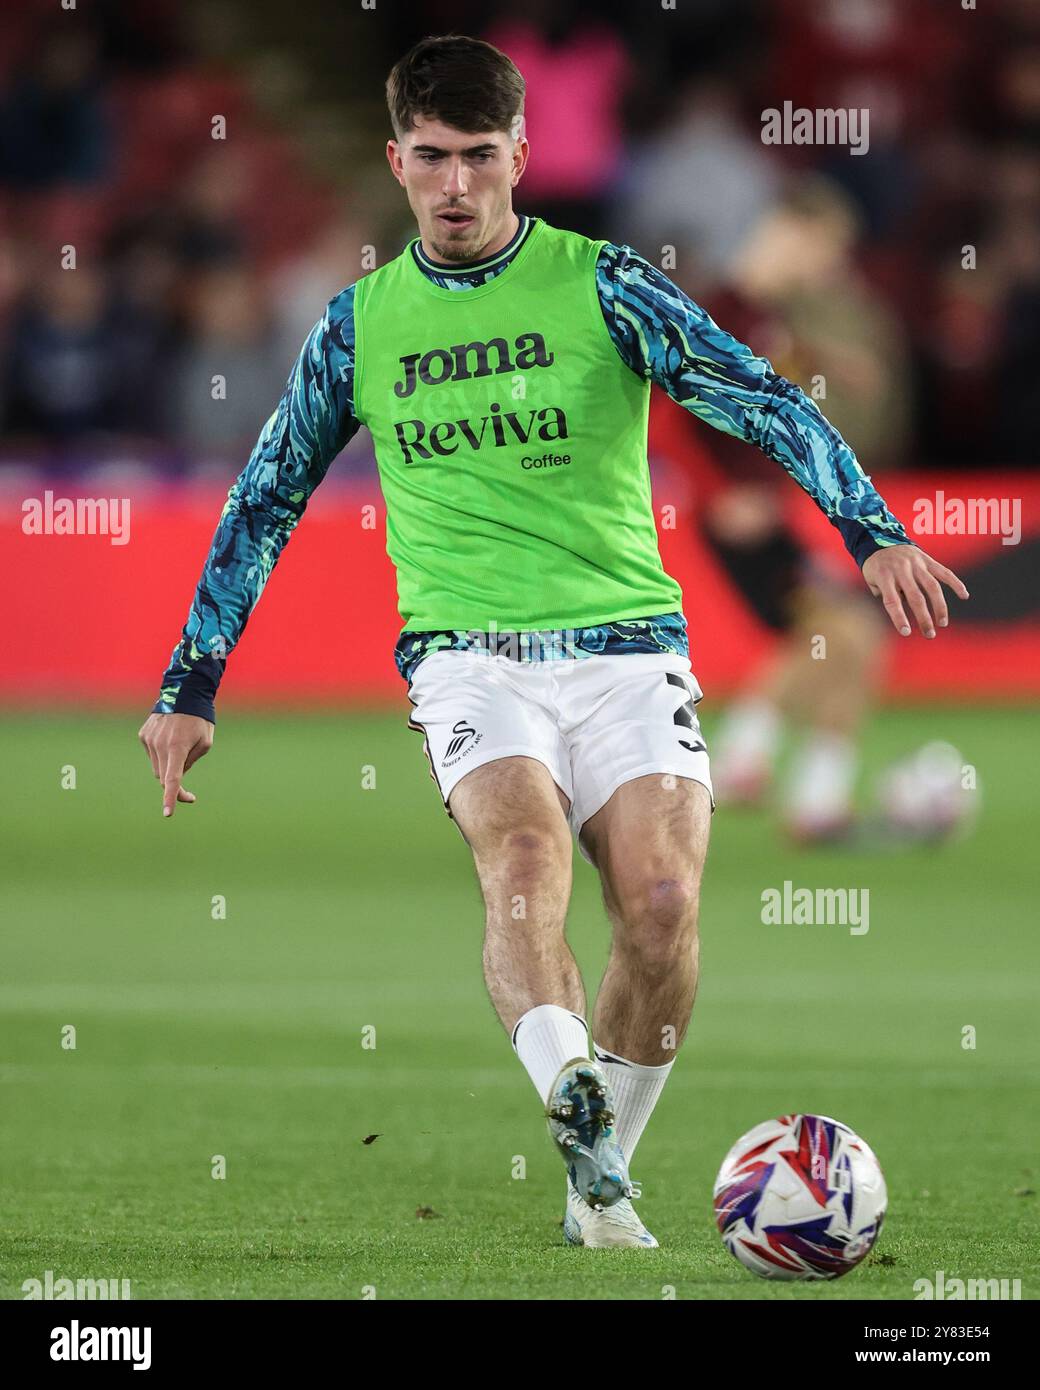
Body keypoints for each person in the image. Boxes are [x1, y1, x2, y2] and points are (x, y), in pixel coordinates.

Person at [138, 34, 968, 1249]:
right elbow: (263, 496)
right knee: (522, 858)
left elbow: (763, 396)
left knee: (663, 904)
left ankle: (597, 1179)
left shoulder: (607, 283)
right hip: (466, 654)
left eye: (481, 156)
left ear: (521, 154)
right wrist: (189, 684)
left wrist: (871, 532)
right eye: (432, 159)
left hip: (627, 645)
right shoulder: (358, 325)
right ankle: (578, 1122)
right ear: (395, 161)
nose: (458, 185)